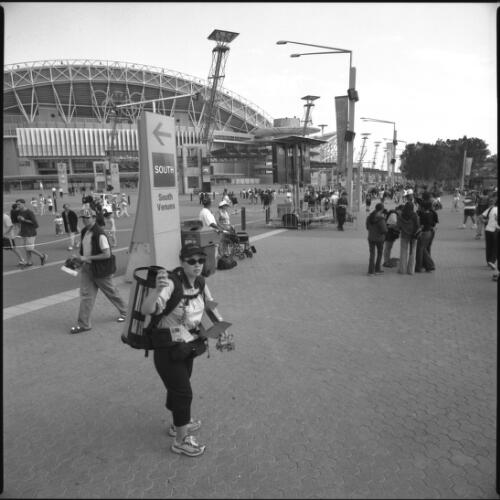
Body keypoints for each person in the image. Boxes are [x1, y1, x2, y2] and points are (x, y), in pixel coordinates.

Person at [141, 244, 225, 457]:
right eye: (192, 261)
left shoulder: (200, 282)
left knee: (179, 386)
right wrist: (157, 291)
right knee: (183, 392)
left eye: (200, 260)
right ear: (182, 262)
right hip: (167, 347)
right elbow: (147, 309)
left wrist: (220, 327)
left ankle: (177, 423)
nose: (197, 265)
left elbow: (210, 306)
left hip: (187, 345)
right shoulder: (170, 282)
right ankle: (181, 440)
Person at [69, 208, 127, 334]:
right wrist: (79, 259)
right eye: (83, 218)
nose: (84, 220)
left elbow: (107, 254)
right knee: (86, 296)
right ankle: (84, 324)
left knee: (111, 292)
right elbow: (85, 250)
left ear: (94, 218)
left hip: (101, 270)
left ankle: (126, 311)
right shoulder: (85, 231)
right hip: (87, 268)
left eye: (87, 217)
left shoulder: (99, 233)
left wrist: (85, 258)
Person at [15, 199, 47, 267]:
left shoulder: (29, 212)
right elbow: (21, 222)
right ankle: (29, 262)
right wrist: (19, 219)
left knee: (29, 248)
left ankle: (42, 256)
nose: (18, 205)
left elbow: (35, 223)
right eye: (17, 204)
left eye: (19, 204)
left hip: (30, 232)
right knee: (26, 248)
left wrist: (24, 220)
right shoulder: (20, 212)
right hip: (24, 232)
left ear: (23, 204)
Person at [397, 201, 420, 275]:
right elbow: (417, 225)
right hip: (413, 236)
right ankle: (411, 270)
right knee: (413, 252)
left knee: (403, 252)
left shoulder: (401, 215)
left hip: (404, 235)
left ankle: (402, 270)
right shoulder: (414, 215)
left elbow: (399, 226)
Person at [415, 200, 438, 273]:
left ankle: (422, 266)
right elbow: (434, 223)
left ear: (423, 207)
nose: (419, 207)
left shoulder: (423, 215)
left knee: (420, 250)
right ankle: (427, 266)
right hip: (430, 232)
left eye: (420, 206)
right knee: (425, 249)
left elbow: (421, 225)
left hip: (424, 233)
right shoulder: (432, 213)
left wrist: (417, 232)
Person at [366, 203, 388, 276]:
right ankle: (377, 269)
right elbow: (384, 230)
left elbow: (367, 227)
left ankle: (371, 271)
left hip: (371, 238)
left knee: (372, 254)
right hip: (379, 239)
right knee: (379, 253)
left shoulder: (369, 217)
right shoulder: (381, 219)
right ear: (381, 210)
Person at [481, 198, 498, 270]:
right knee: (496, 247)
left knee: (489, 246)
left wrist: (485, 221)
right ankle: (492, 261)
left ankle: (488, 261)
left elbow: (481, 217)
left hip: (488, 229)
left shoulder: (491, 209)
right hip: (496, 231)